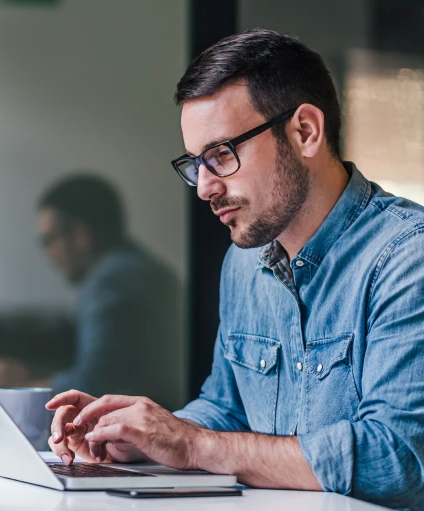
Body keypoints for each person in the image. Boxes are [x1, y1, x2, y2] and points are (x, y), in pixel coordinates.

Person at [46, 28, 424, 510]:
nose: (204, 187)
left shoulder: (406, 258)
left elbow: (398, 460)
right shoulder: (244, 262)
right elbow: (227, 409)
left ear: (305, 131)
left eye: (222, 155)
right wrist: (145, 437)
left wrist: (194, 445)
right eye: (196, 163)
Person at [36, 174, 183, 410]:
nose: (48, 255)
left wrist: (20, 384)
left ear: (80, 234)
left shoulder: (110, 282)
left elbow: (95, 383)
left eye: (50, 240)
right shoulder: (142, 268)